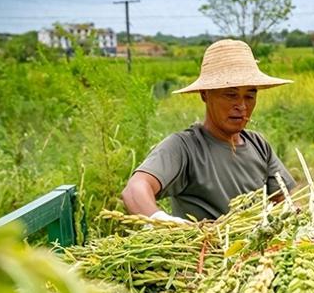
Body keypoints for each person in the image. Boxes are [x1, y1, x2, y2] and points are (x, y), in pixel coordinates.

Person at [121, 39, 296, 224]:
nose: (242, 106)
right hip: (206, 249)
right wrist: (161, 221)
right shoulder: (184, 148)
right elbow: (135, 189)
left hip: (255, 251)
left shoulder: (259, 145)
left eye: (250, 96)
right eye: (231, 95)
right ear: (205, 94)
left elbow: (282, 202)